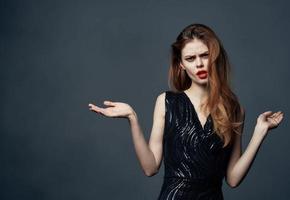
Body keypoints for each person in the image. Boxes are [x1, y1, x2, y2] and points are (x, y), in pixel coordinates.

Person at [88, 23, 284, 199]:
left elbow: (233, 179)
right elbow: (150, 168)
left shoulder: (234, 109)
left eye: (204, 55)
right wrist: (132, 117)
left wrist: (259, 133)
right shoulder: (167, 102)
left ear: (214, 57)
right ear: (181, 64)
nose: (199, 64)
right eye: (190, 58)